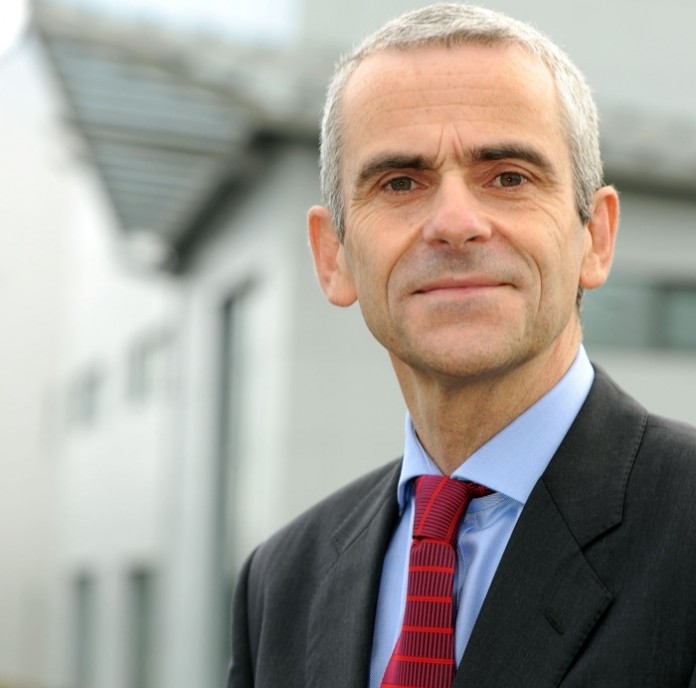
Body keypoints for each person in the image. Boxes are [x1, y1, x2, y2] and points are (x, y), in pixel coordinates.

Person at [228, 4, 696, 687]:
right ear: (333, 257)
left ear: (596, 237)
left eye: (509, 177)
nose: (454, 222)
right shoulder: (281, 583)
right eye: (400, 183)